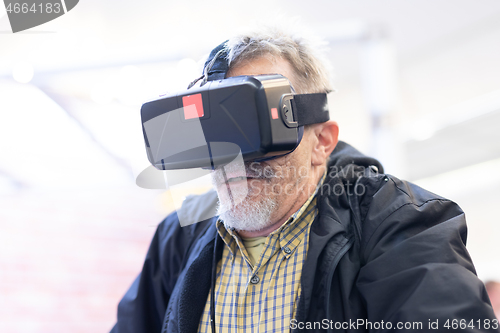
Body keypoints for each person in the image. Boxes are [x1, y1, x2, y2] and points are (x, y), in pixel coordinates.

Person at [111, 27, 498, 333]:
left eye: (255, 127)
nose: (234, 159)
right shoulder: (177, 239)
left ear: (321, 142)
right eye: (220, 135)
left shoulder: (400, 225)